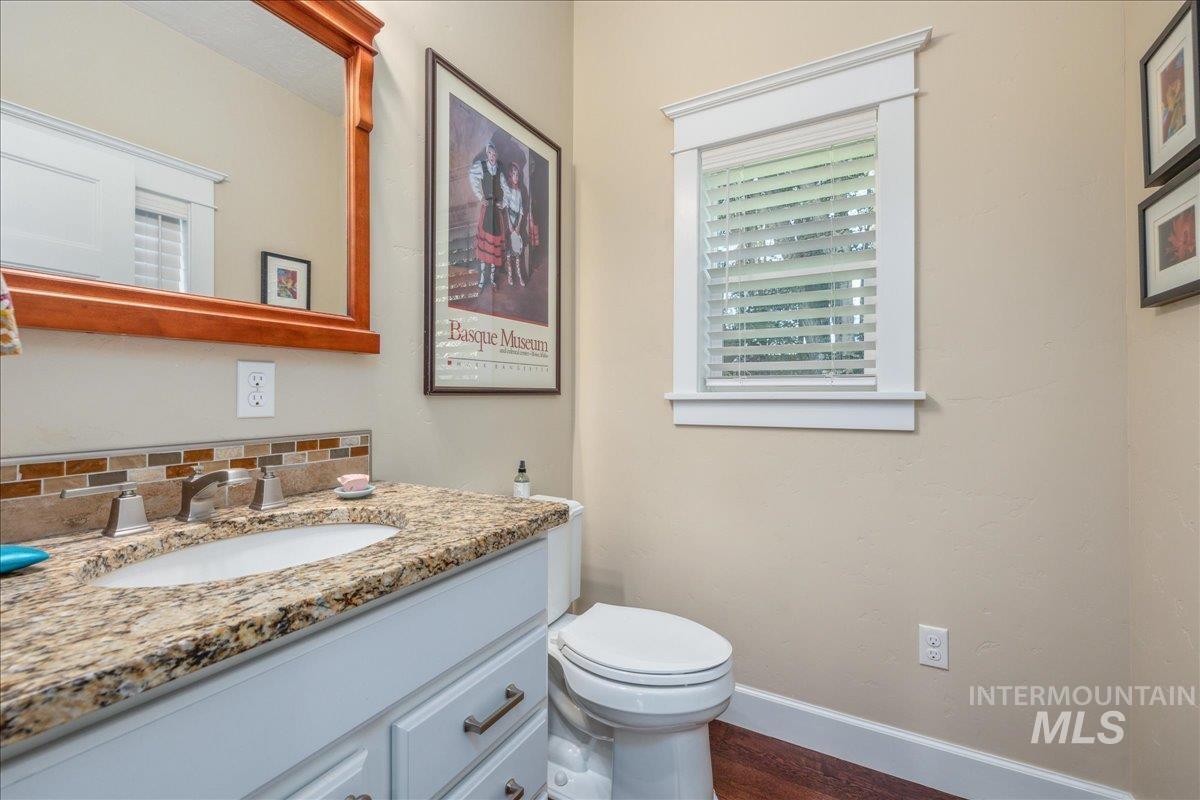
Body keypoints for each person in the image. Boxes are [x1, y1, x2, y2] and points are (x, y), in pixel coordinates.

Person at [468, 140, 505, 289]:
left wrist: (504, 202)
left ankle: (492, 279)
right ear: (487, 153)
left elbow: (505, 188)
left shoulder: (499, 169)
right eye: (490, 153)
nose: (492, 156)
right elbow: (472, 177)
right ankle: (482, 279)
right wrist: (480, 197)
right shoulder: (481, 167)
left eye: (494, 154)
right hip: (487, 207)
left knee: (494, 243)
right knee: (485, 244)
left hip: (496, 210)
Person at [502, 161, 528, 288]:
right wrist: (510, 225)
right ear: (510, 175)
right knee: (509, 252)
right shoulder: (508, 189)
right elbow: (506, 207)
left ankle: (519, 275)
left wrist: (518, 225)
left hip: (517, 223)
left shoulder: (519, 191)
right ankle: (510, 276)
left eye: (518, 175)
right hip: (509, 223)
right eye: (514, 175)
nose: (516, 177)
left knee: (517, 252)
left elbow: (522, 209)